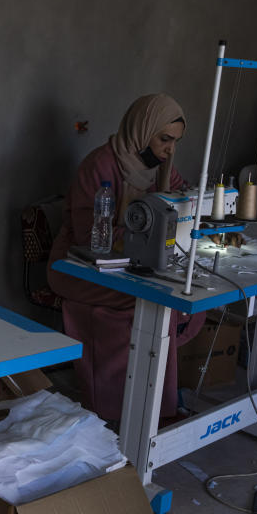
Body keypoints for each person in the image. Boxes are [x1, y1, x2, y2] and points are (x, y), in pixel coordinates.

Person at [46, 94, 205, 423]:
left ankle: (156, 401)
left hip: (131, 265)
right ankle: (122, 410)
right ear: (142, 129)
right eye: (164, 140)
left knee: (188, 296)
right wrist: (151, 239)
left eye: (175, 142)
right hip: (80, 267)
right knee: (151, 303)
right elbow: (88, 236)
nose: (170, 150)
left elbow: (182, 203)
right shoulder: (100, 165)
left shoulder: (160, 170)